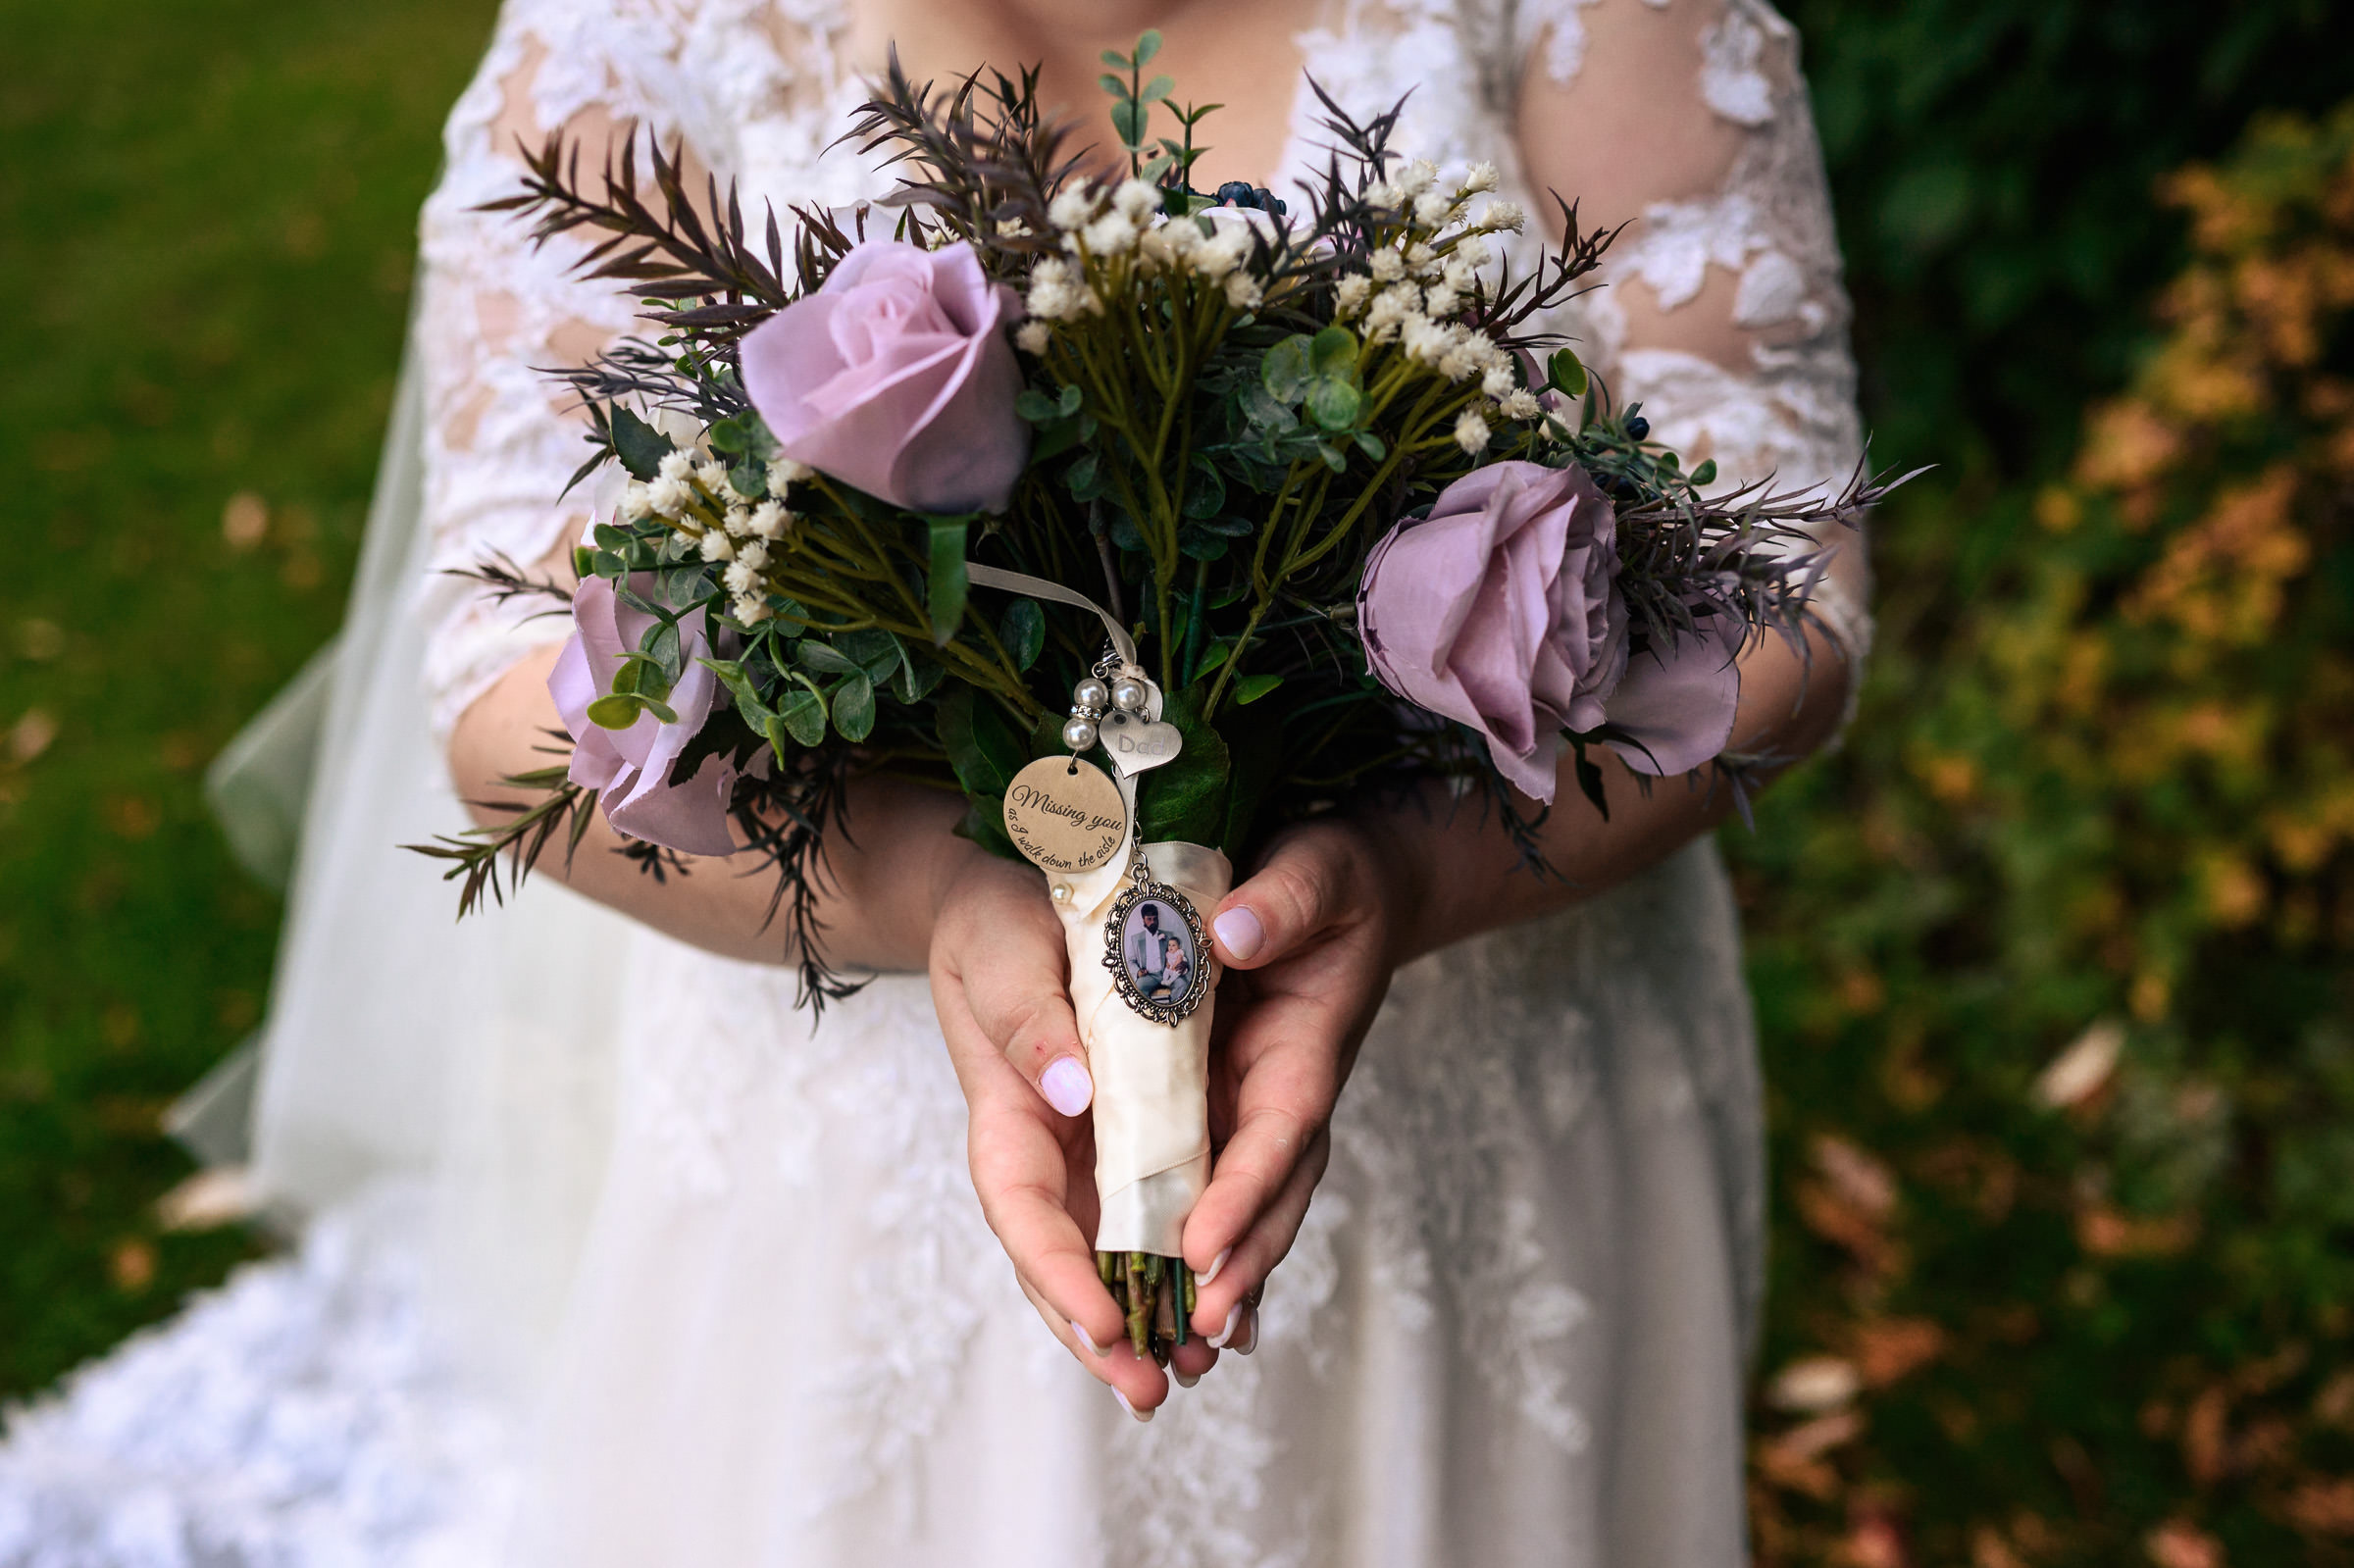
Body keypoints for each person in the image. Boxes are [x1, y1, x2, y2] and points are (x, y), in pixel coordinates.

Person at [0, 0, 1872, 1562]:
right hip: (869, 1145)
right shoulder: (640, 34)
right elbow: (514, 703)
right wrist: (942, 900)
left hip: (1489, 1073)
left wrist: (1405, 877)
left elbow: (1790, 599)